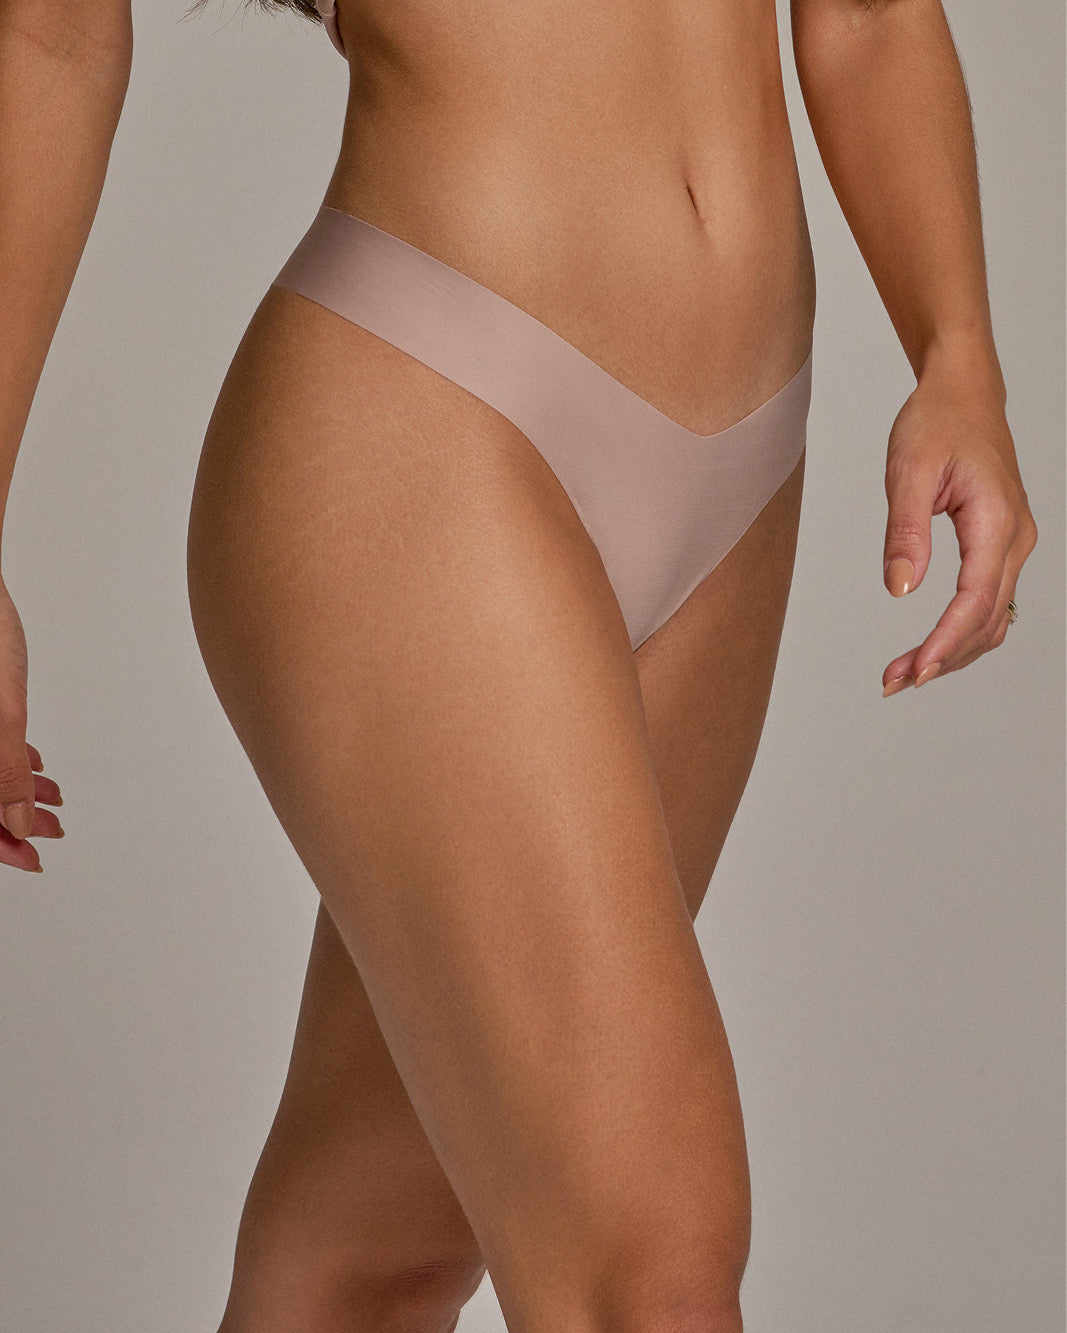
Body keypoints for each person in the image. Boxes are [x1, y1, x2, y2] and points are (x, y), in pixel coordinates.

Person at [0, 0, 1038, 1328]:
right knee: (650, 1263)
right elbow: (52, 38)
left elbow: (870, 11)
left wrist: (958, 354)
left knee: (372, 1255)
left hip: (741, 467)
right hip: (428, 395)